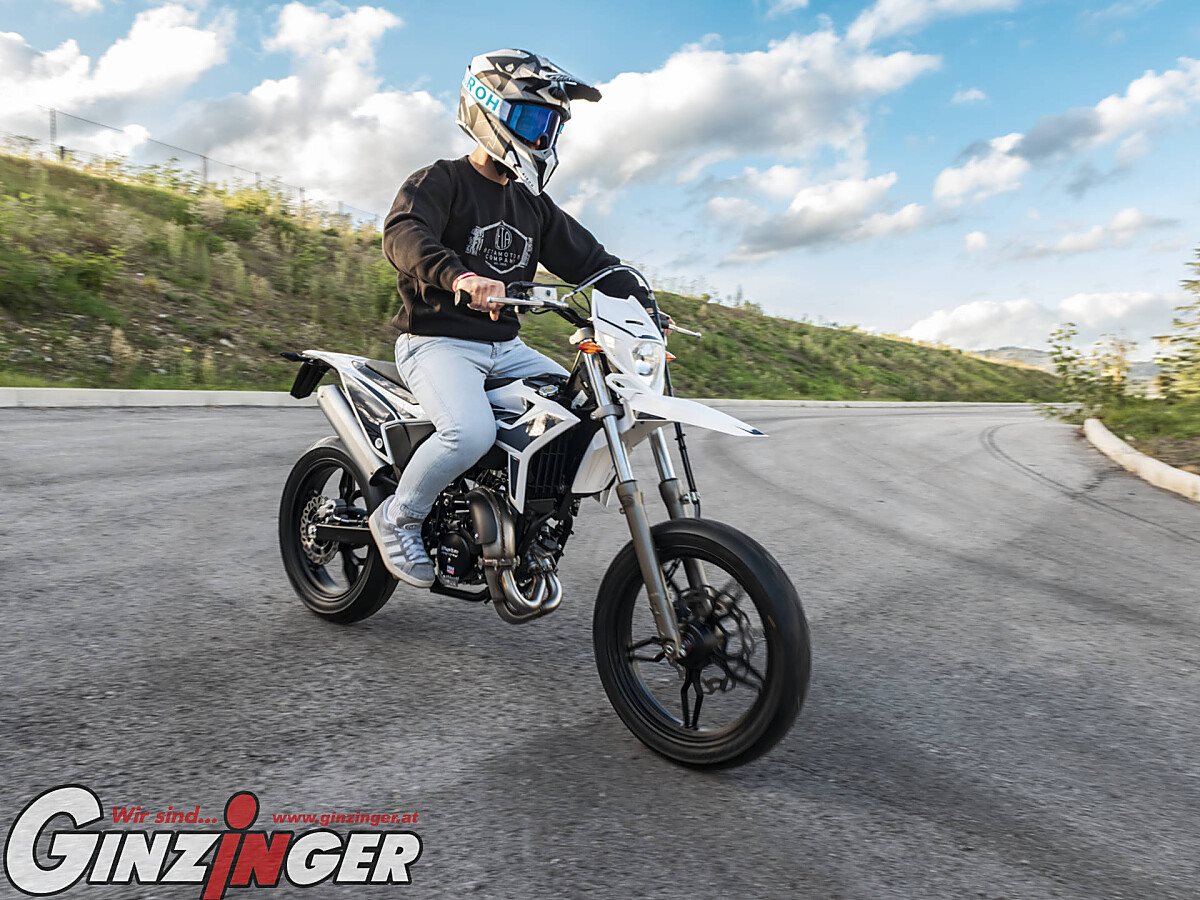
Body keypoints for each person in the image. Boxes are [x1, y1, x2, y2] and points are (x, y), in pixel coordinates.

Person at [370, 49, 659, 587]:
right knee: (470, 432)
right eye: (531, 120)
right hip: (436, 341)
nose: (542, 135)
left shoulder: (533, 205)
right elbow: (403, 233)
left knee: (578, 410)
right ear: (487, 110)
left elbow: (592, 263)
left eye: (551, 125)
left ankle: (523, 522)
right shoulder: (442, 180)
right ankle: (398, 516)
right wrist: (460, 277)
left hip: (505, 349)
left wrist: (643, 303)